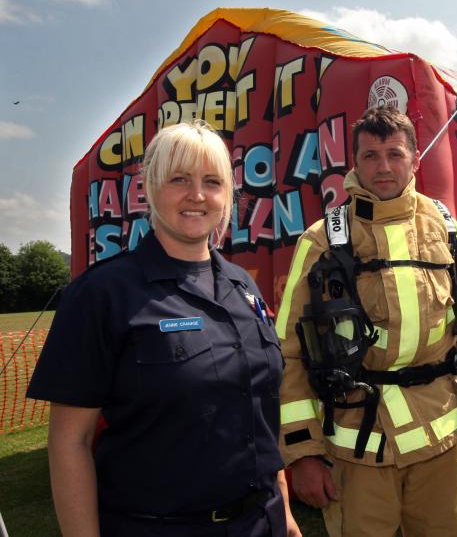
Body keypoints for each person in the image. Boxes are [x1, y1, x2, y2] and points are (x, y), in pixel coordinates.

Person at [27, 120, 301, 537]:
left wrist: (285, 512)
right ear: (149, 188)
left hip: (262, 522)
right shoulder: (102, 294)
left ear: (227, 195)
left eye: (212, 182)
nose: (197, 195)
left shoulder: (242, 286)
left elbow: (259, 410)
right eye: (179, 179)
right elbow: (70, 444)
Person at [275, 105, 457, 537]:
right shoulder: (321, 241)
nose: (383, 166)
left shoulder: (446, 231)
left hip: (441, 444)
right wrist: (302, 451)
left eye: (394, 154)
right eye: (370, 155)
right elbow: (289, 351)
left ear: (415, 160)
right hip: (359, 447)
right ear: (355, 163)